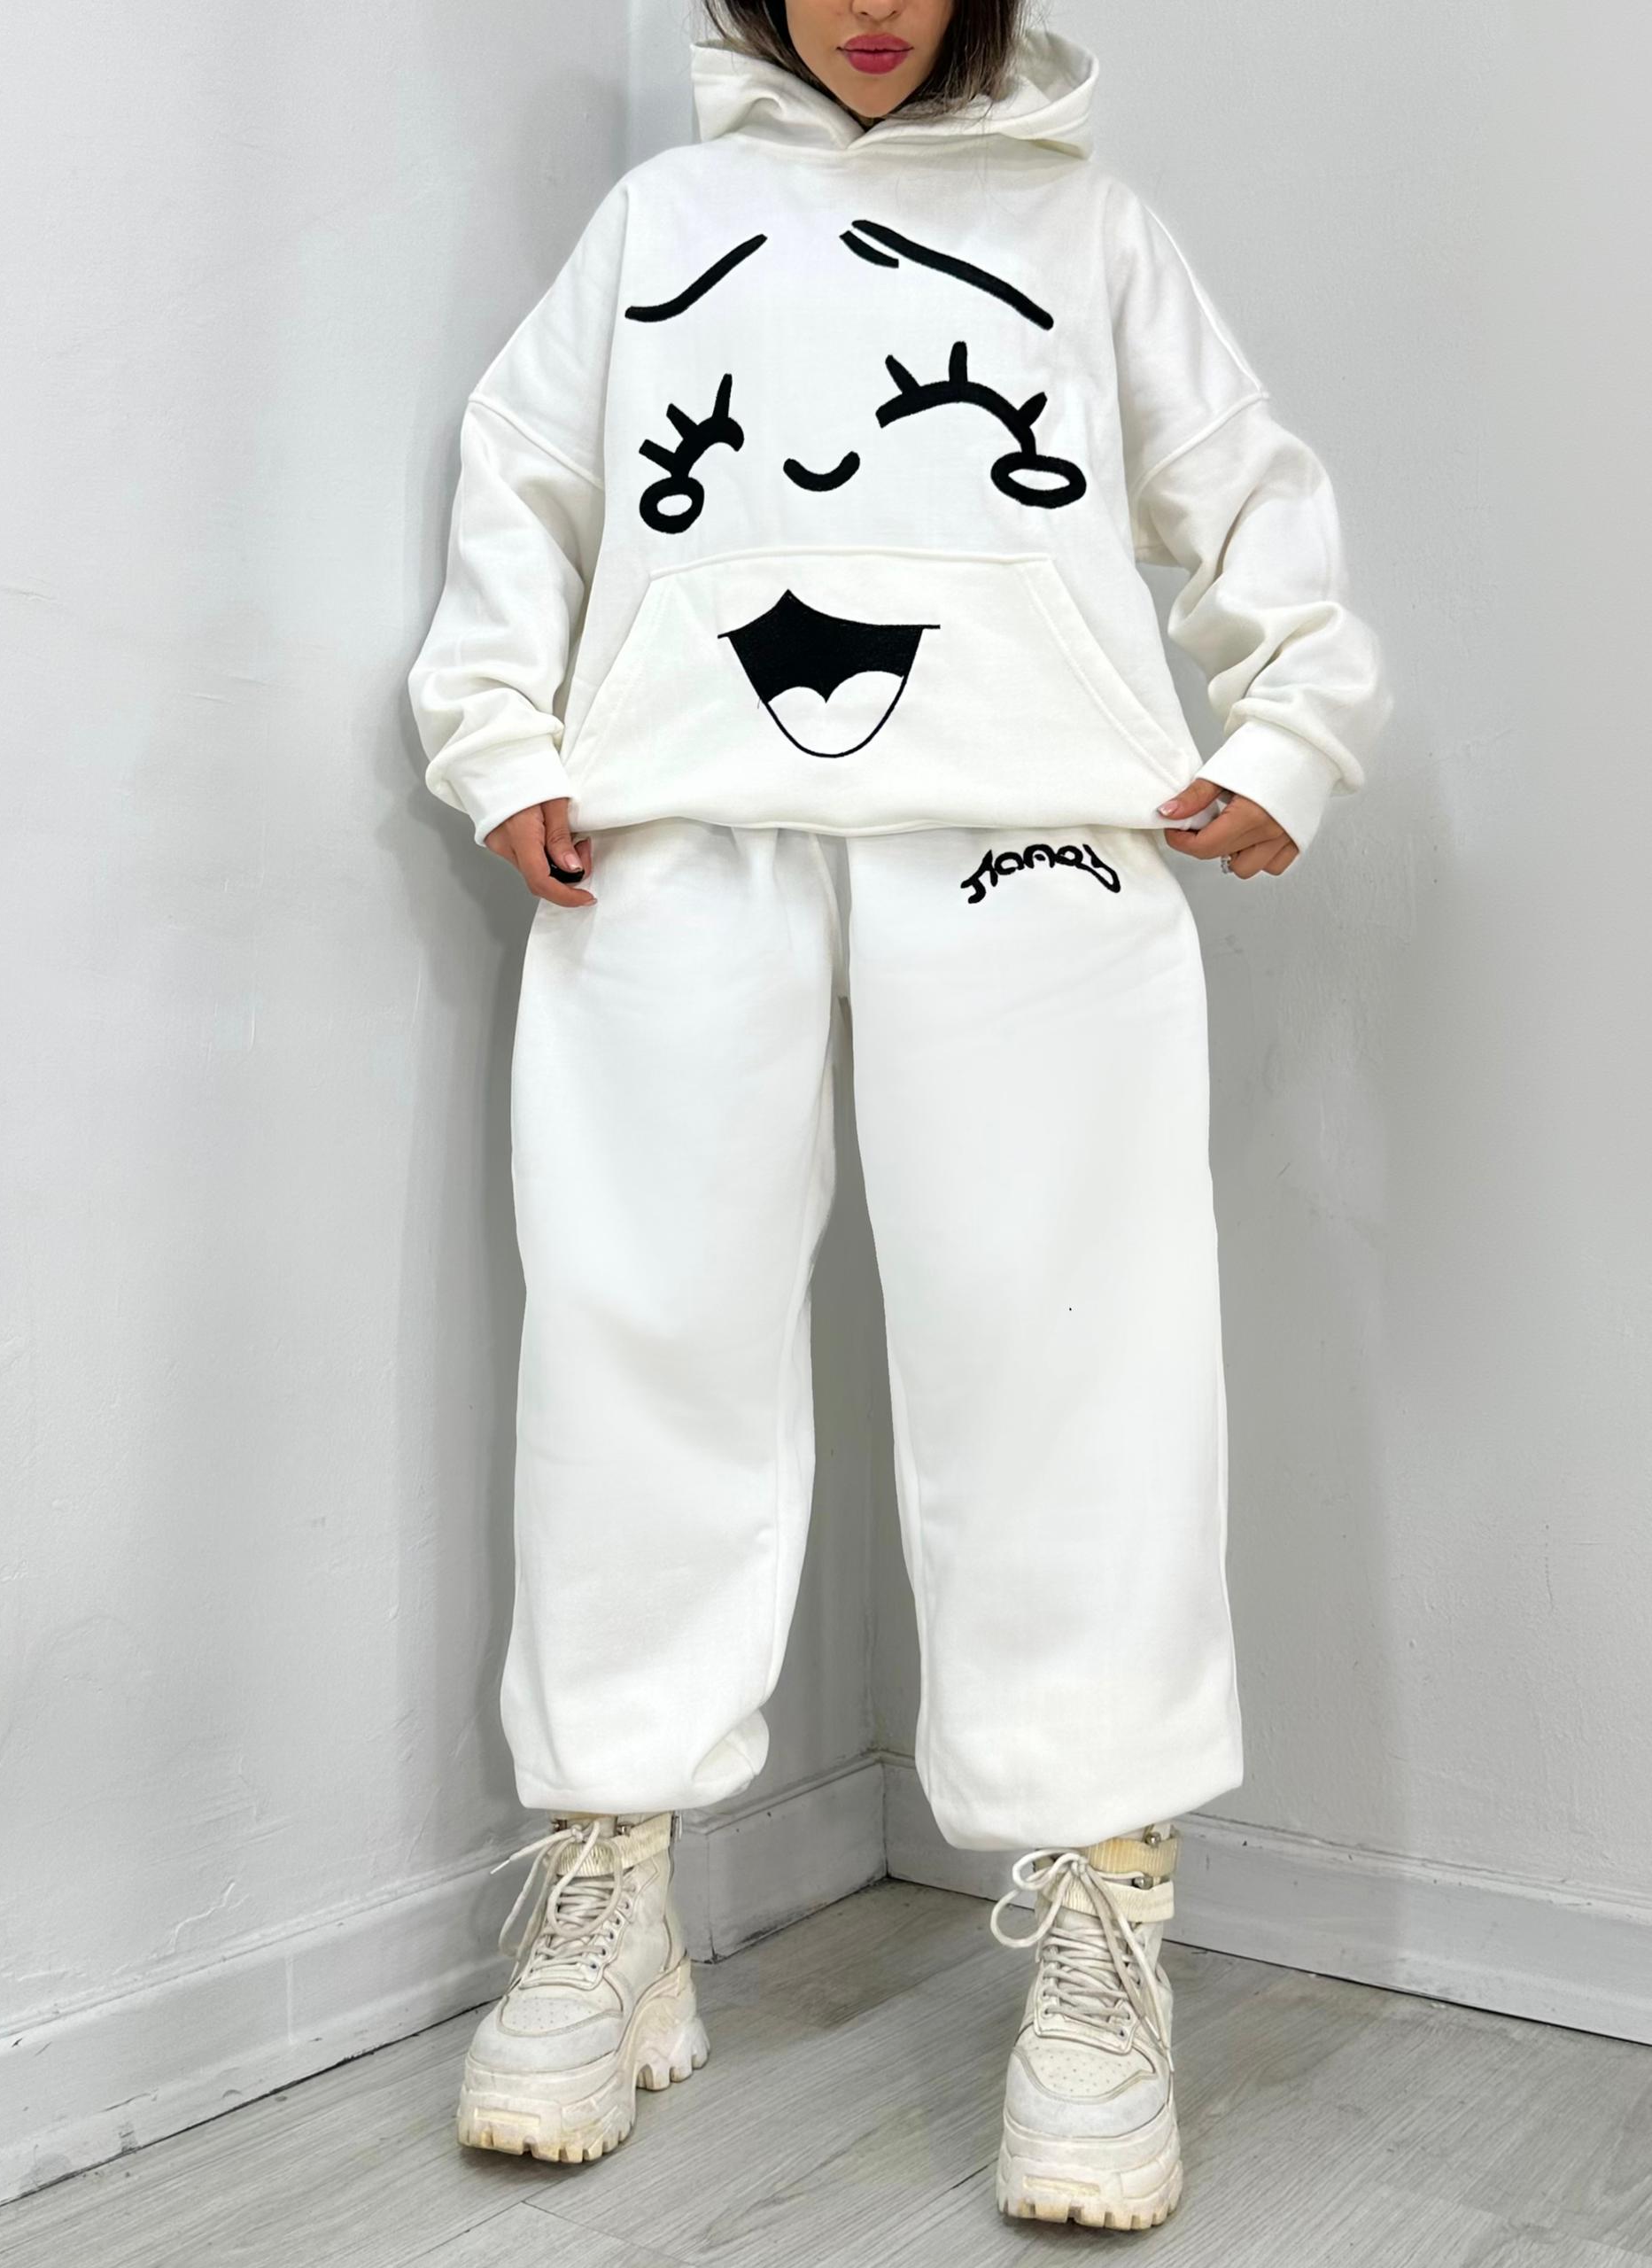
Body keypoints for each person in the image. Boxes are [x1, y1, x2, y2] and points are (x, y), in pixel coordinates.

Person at [408, 0, 1387, 2230]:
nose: (870, 3)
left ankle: (1105, 1910)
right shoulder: (659, 219)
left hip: (1031, 831)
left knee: (1075, 1352)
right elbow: (523, 477)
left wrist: (1290, 727)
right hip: (676, 833)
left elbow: (1245, 486)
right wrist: (502, 740)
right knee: (637, 1333)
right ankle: (610, 1878)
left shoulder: (1088, 231)